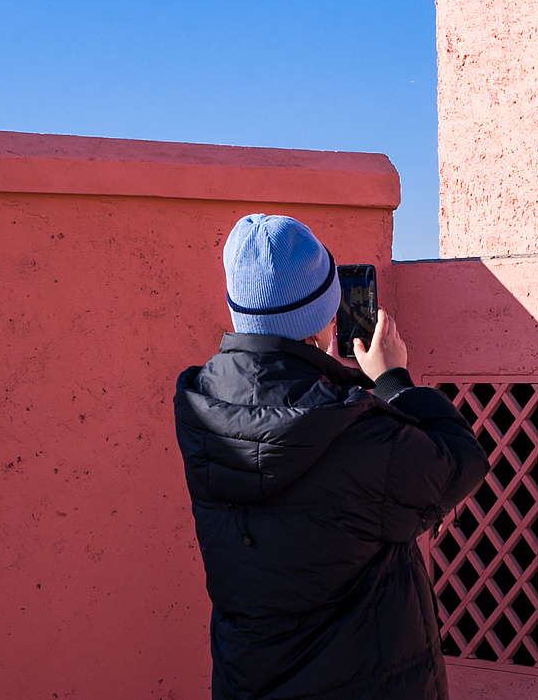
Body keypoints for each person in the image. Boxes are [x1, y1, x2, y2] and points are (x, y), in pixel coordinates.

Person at [174, 214, 489, 699]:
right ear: (324, 319)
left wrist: (319, 376)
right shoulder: (355, 432)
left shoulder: (200, 403)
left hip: (246, 681)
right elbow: (460, 461)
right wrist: (393, 382)